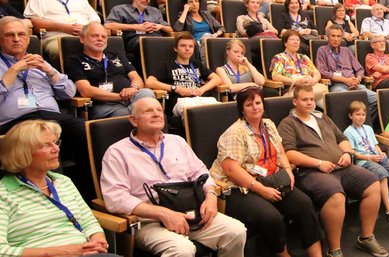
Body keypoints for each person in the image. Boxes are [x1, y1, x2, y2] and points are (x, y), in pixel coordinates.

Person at [100, 97, 247, 256]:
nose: (156, 114)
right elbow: (116, 198)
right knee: (182, 250)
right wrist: (163, 213)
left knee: (236, 231)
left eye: (159, 110)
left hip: (190, 211)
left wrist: (211, 196)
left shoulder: (177, 142)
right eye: (149, 111)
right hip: (149, 221)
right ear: (134, 120)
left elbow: (200, 172)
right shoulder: (117, 153)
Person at [209, 88, 323, 257]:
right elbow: (231, 170)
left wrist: (287, 171)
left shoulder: (268, 124)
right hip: (238, 188)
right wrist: (261, 190)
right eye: (249, 104)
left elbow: (280, 152)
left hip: (270, 179)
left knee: (304, 205)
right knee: (271, 218)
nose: (255, 107)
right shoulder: (235, 133)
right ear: (242, 109)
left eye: (258, 103)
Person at [278, 84, 388, 257]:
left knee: (373, 184)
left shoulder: (322, 117)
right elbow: (289, 153)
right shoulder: (288, 123)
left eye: (312, 99)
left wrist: (348, 153)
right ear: (294, 101)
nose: (309, 103)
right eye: (304, 100)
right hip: (311, 171)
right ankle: (334, 250)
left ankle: (366, 238)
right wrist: (318, 163)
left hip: (340, 166)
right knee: (336, 195)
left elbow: (341, 138)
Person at [0, 17, 91, 199]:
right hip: (16, 122)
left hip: (51, 117)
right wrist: (14, 70)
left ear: (28, 39)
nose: (16, 39)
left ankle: (87, 195)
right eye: (10, 35)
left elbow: (68, 92)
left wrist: (49, 71)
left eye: (21, 34)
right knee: (45, 142)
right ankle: (56, 200)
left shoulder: (38, 62)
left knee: (87, 133)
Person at [0, 120, 119, 257]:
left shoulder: (63, 181)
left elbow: (89, 222)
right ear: (22, 153)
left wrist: (98, 240)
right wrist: (61, 251)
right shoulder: (3, 194)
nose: (56, 149)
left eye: (56, 142)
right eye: (46, 145)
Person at [344, 101, 389, 226]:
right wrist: (369, 158)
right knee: (382, 173)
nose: (361, 117)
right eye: (357, 114)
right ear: (351, 116)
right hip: (364, 161)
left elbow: (375, 145)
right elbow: (352, 153)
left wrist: (380, 152)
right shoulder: (348, 132)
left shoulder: (368, 128)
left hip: (376, 156)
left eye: (363, 114)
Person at [65, 23, 154, 119]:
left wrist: (133, 88)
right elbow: (86, 90)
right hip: (103, 104)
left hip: (131, 97)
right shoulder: (75, 60)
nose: (100, 39)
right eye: (95, 36)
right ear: (82, 39)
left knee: (147, 93)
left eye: (103, 37)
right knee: (133, 114)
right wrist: (120, 97)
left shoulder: (116, 55)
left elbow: (136, 78)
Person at [23, 0, 99, 64]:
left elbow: (95, 21)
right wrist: (64, 28)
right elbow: (34, 22)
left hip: (86, 36)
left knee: (109, 46)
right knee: (68, 51)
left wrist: (85, 29)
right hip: (56, 37)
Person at [145, 32, 222, 120]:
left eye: (190, 46)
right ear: (175, 48)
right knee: (195, 113)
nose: (187, 49)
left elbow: (217, 79)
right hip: (180, 101)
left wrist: (202, 89)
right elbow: (149, 82)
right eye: (183, 46)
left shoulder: (197, 64)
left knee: (220, 109)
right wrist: (176, 88)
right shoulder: (167, 65)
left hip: (200, 98)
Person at [315, 25, 378, 121]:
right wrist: (345, 80)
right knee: (344, 99)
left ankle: (364, 122)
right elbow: (322, 71)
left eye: (339, 36)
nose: (336, 39)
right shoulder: (322, 50)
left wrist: (358, 79)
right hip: (337, 85)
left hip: (355, 84)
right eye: (333, 36)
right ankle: (348, 126)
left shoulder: (346, 51)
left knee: (378, 99)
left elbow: (360, 69)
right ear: (328, 36)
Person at [105, 0, 173, 66]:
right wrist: (137, 27)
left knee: (172, 44)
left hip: (156, 37)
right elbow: (108, 25)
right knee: (149, 44)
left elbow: (170, 29)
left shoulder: (155, 11)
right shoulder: (120, 9)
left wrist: (159, 26)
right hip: (134, 39)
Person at [269, 30, 329, 109]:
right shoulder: (279, 58)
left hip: (310, 86)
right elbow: (276, 76)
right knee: (320, 97)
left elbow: (316, 72)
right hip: (293, 89)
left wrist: (314, 80)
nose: (296, 42)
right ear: (285, 43)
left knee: (327, 101)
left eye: (297, 40)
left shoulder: (304, 57)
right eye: (292, 39)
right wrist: (296, 82)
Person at [172, 0, 224, 65]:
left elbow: (221, 28)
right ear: (186, 4)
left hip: (212, 39)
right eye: (191, 2)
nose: (194, 4)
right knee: (205, 39)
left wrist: (216, 34)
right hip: (196, 43)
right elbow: (177, 29)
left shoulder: (206, 14)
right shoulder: (184, 15)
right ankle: (205, 66)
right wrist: (185, 10)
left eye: (196, 1)